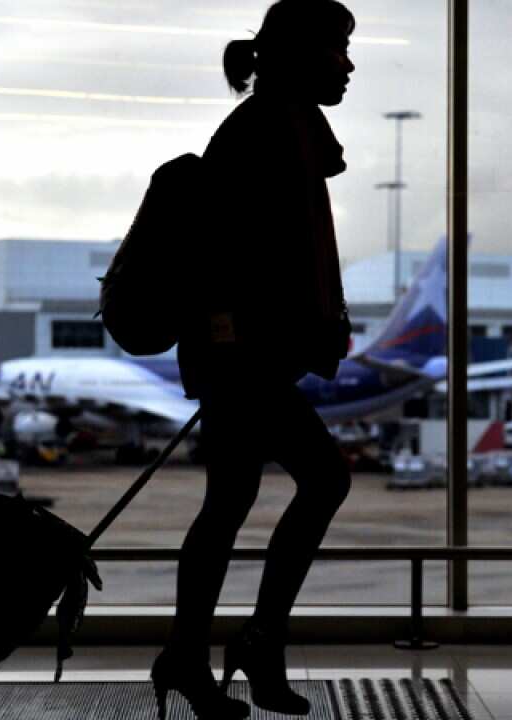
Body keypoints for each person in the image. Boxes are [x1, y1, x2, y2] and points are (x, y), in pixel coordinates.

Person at [151, 2, 356, 719]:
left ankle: (196, 653)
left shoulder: (282, 127)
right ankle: (254, 642)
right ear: (303, 56)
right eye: (339, 50)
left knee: (229, 503)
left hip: (239, 355)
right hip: (242, 359)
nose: (350, 65)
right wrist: (241, 345)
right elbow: (225, 257)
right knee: (324, 480)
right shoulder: (263, 131)